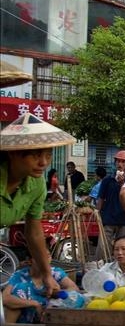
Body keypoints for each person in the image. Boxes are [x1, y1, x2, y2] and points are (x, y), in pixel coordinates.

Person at [1, 113, 75, 297]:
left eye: (48, 155)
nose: (43, 162)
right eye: (35, 155)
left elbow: (33, 231)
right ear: (13, 153)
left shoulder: (37, 184)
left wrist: (47, 273)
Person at [2, 249, 79, 323]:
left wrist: (57, 293)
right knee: (19, 291)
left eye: (48, 256)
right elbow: (5, 298)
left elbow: (74, 289)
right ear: (30, 261)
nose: (46, 261)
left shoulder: (55, 273)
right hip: (24, 320)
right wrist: (33, 303)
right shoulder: (20, 275)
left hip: (50, 318)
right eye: (41, 257)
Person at [95, 150, 125, 261]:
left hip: (124, 219)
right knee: (103, 246)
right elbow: (101, 198)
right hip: (109, 217)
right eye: (118, 161)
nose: (120, 164)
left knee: (122, 247)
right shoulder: (107, 180)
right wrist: (97, 215)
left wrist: (122, 184)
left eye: (123, 162)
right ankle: (99, 266)